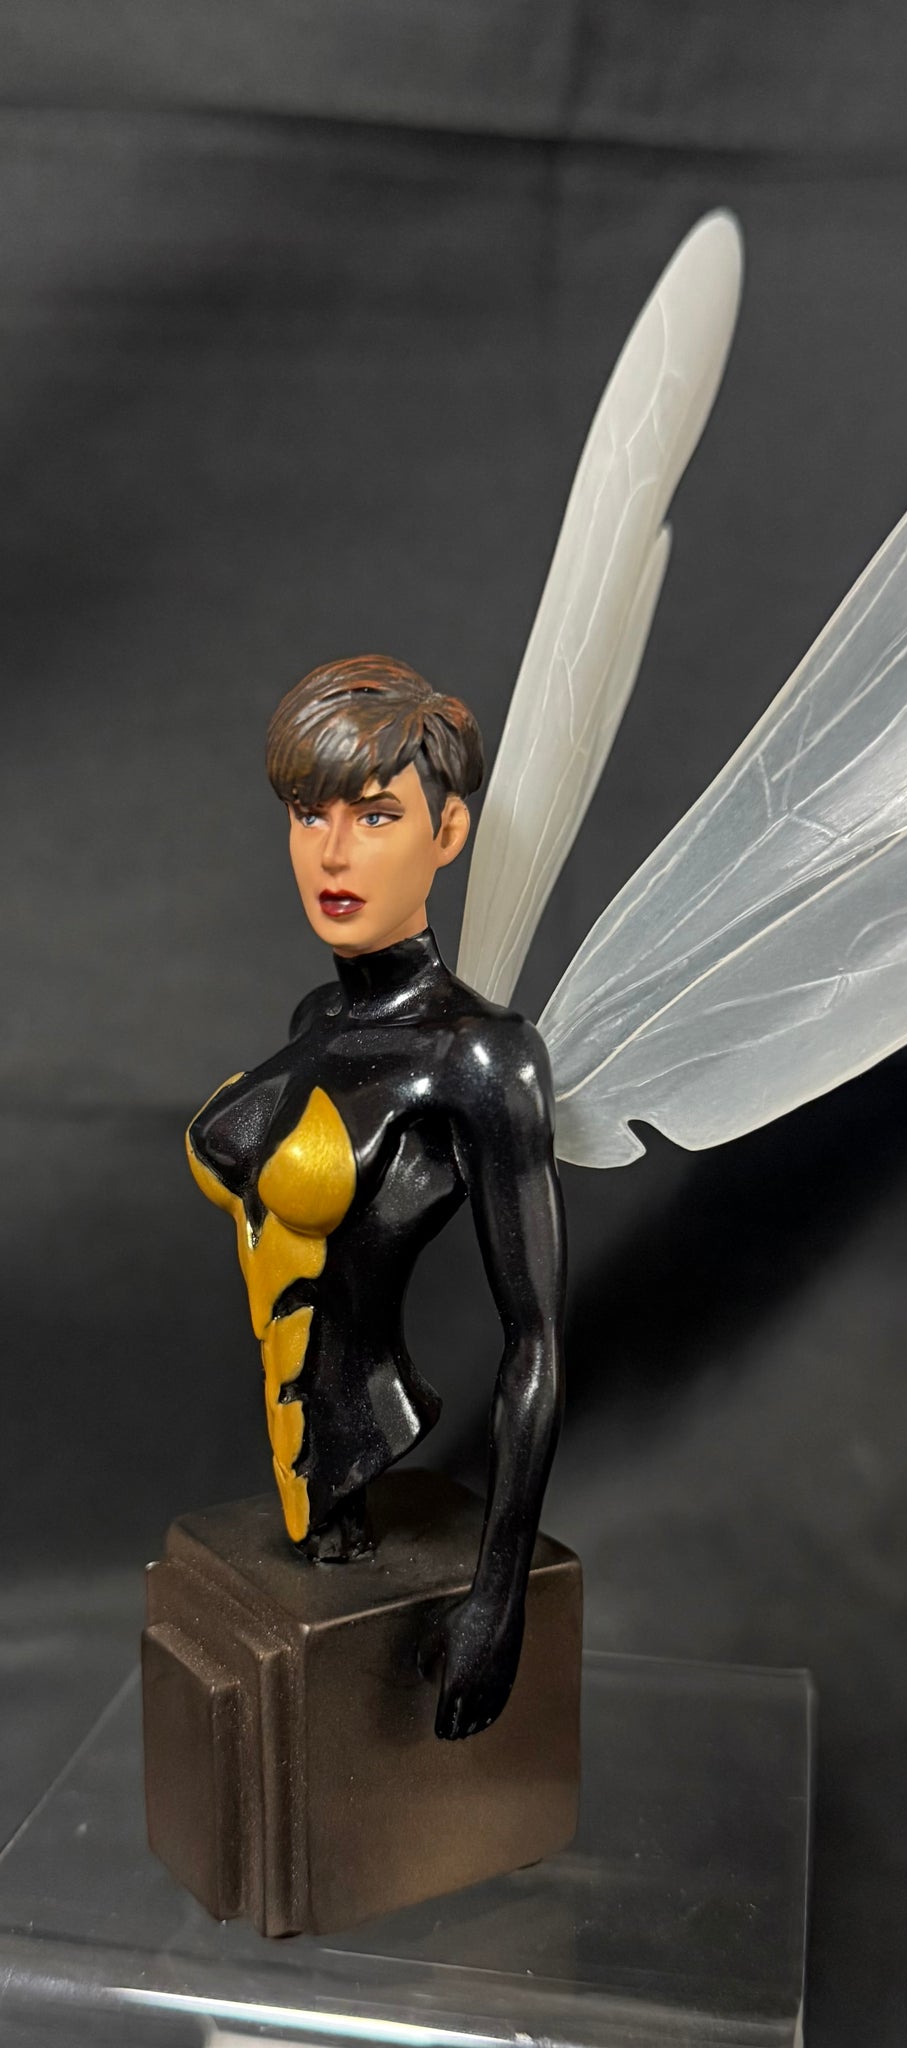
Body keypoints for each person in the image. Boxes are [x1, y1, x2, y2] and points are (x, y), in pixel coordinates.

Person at [187, 654, 566, 1741]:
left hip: (367, 1430)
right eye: (309, 814)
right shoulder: (318, 1017)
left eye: (377, 814)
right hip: (303, 1461)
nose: (334, 852)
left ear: (448, 832)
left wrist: (498, 1598)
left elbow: (535, 1341)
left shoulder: (482, 1059)